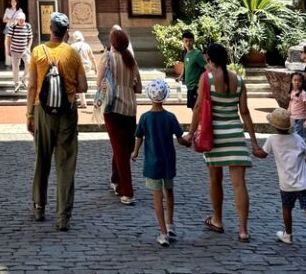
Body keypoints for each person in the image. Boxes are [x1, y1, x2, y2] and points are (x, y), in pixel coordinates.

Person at [182, 42, 263, 241]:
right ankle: (243, 230)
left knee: (215, 179)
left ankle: (217, 219)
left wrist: (190, 133)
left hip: (214, 136)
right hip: (235, 135)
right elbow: (244, 112)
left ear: (209, 58)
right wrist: (254, 142)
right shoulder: (239, 80)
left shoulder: (206, 79)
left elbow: (199, 107)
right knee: (239, 184)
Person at [26, 11, 87, 230]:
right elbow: (84, 87)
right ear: (66, 32)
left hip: (42, 111)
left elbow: (32, 86)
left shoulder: (38, 52)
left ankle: (39, 207)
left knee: (42, 159)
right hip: (67, 112)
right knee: (66, 163)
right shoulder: (72, 54)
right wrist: (67, 86)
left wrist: (29, 114)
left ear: (49, 30)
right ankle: (62, 216)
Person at [255, 107, 306, 260]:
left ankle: (288, 234)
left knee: (287, 208)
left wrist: (253, 149)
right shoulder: (297, 138)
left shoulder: (272, 140)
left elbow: (262, 155)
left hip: (287, 184)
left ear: (274, 126)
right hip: (303, 183)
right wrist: (305, 163)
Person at [131, 80, 188, 246]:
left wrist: (135, 152)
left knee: (157, 198)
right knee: (169, 192)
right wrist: (189, 141)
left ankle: (162, 232)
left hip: (152, 162)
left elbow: (139, 137)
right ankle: (171, 224)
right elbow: (180, 139)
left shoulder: (145, 117)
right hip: (168, 161)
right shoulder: (170, 117)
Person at [97, 26, 142, 204]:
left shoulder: (107, 58)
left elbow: (99, 83)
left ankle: (127, 191)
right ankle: (116, 181)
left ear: (113, 43)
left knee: (120, 149)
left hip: (113, 107)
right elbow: (139, 88)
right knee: (124, 147)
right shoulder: (131, 61)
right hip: (130, 108)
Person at [178, 30, 206, 109]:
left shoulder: (197, 54)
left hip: (195, 87)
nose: (188, 43)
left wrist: (200, 84)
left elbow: (208, 69)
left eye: (190, 41)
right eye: (186, 41)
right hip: (189, 87)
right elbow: (186, 66)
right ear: (183, 41)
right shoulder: (186, 54)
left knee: (197, 110)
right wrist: (181, 75)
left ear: (193, 41)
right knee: (193, 109)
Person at [69, 31, 98, 108]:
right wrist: (95, 68)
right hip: (87, 66)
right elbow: (92, 57)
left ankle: (83, 102)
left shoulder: (72, 46)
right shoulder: (87, 45)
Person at [9, 12, 33, 92]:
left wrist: (28, 47)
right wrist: (9, 49)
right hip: (15, 50)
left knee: (29, 63)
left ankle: (24, 79)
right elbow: (9, 38)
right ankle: (16, 83)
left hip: (25, 50)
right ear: (17, 20)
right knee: (15, 67)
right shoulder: (13, 26)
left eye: (23, 20)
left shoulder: (28, 26)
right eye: (20, 20)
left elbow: (30, 37)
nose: (22, 22)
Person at [287, 71, 306, 141]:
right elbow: (290, 106)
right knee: (293, 140)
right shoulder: (292, 92)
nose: (297, 82)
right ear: (291, 81)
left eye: (299, 81)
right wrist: (286, 116)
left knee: (301, 141)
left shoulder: (303, 94)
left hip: (301, 120)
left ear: (302, 82)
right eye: (295, 80)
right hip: (292, 119)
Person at [3, 0, 20, 68]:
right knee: (8, 46)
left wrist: (9, 19)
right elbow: (4, 20)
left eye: (14, 1)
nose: (13, 3)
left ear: (16, 3)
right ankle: (8, 63)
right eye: (12, 1)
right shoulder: (8, 10)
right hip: (8, 29)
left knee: (16, 46)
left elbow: (20, 20)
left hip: (16, 29)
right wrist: (13, 19)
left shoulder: (19, 10)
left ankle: (16, 63)